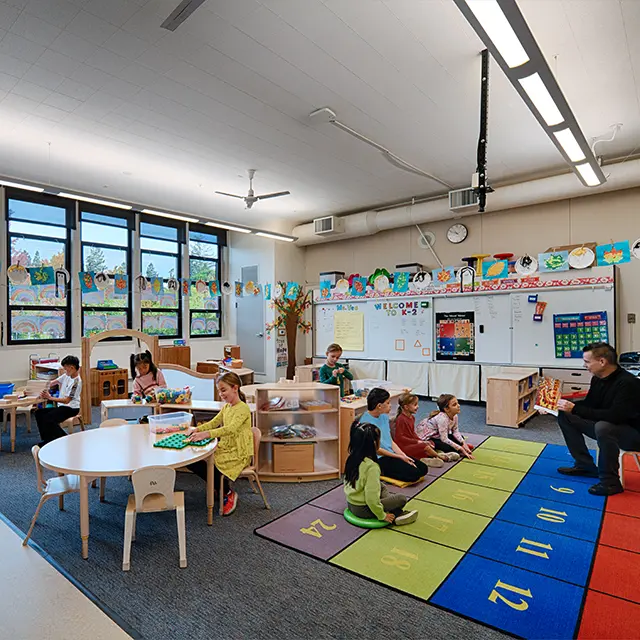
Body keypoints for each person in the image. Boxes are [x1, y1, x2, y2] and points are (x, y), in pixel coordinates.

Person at [556, 342, 640, 496]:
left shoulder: (628, 383)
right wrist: (560, 406)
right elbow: (590, 406)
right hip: (610, 428)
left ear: (602, 361)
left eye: (587, 362)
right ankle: (585, 465)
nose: (584, 365)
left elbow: (615, 416)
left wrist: (575, 408)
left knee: (604, 426)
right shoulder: (598, 378)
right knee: (566, 416)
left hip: (633, 434)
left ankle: (611, 482)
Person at [186, 372, 253, 515]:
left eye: (224, 390)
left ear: (235, 388)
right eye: (219, 391)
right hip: (226, 447)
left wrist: (206, 434)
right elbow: (214, 423)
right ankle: (219, 486)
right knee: (193, 461)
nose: (221, 394)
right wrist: (196, 429)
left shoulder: (243, 408)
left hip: (239, 451)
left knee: (213, 462)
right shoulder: (227, 407)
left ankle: (227, 492)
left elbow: (231, 429)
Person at [344, 421, 418, 525]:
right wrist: (382, 515)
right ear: (374, 443)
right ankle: (397, 513)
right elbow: (371, 498)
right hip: (363, 509)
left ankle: (394, 511)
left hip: (351, 503)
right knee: (401, 498)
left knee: (381, 486)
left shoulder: (352, 458)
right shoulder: (372, 467)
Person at [361, 387, 428, 483]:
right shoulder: (366, 422)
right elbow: (377, 450)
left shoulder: (383, 416)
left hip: (391, 454)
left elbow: (390, 441)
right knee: (414, 474)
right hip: (379, 458)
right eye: (388, 403)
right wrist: (398, 457)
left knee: (423, 468)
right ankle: (379, 471)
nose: (390, 405)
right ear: (379, 406)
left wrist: (403, 456)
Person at [35, 355, 82, 446]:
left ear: (72, 368)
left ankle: (64, 438)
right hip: (62, 406)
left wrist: (50, 397)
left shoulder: (76, 383)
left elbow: (67, 400)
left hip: (71, 409)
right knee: (39, 413)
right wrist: (42, 388)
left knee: (49, 418)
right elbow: (54, 382)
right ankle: (47, 439)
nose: (65, 371)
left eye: (66, 369)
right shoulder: (67, 375)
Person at [394, 393, 446, 467]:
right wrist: (418, 442)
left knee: (430, 443)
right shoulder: (401, 419)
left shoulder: (412, 418)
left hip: (411, 443)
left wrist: (420, 440)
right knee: (424, 446)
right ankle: (439, 456)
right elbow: (400, 438)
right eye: (415, 405)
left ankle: (426, 457)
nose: (417, 407)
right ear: (406, 407)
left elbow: (413, 433)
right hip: (403, 447)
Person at [416, 394, 474, 460]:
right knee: (447, 447)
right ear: (446, 409)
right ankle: (437, 452)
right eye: (454, 405)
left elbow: (455, 431)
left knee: (461, 438)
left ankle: (455, 448)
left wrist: (463, 443)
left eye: (457, 403)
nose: (459, 406)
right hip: (428, 438)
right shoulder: (442, 419)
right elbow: (444, 439)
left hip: (438, 435)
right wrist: (461, 449)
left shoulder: (455, 416)